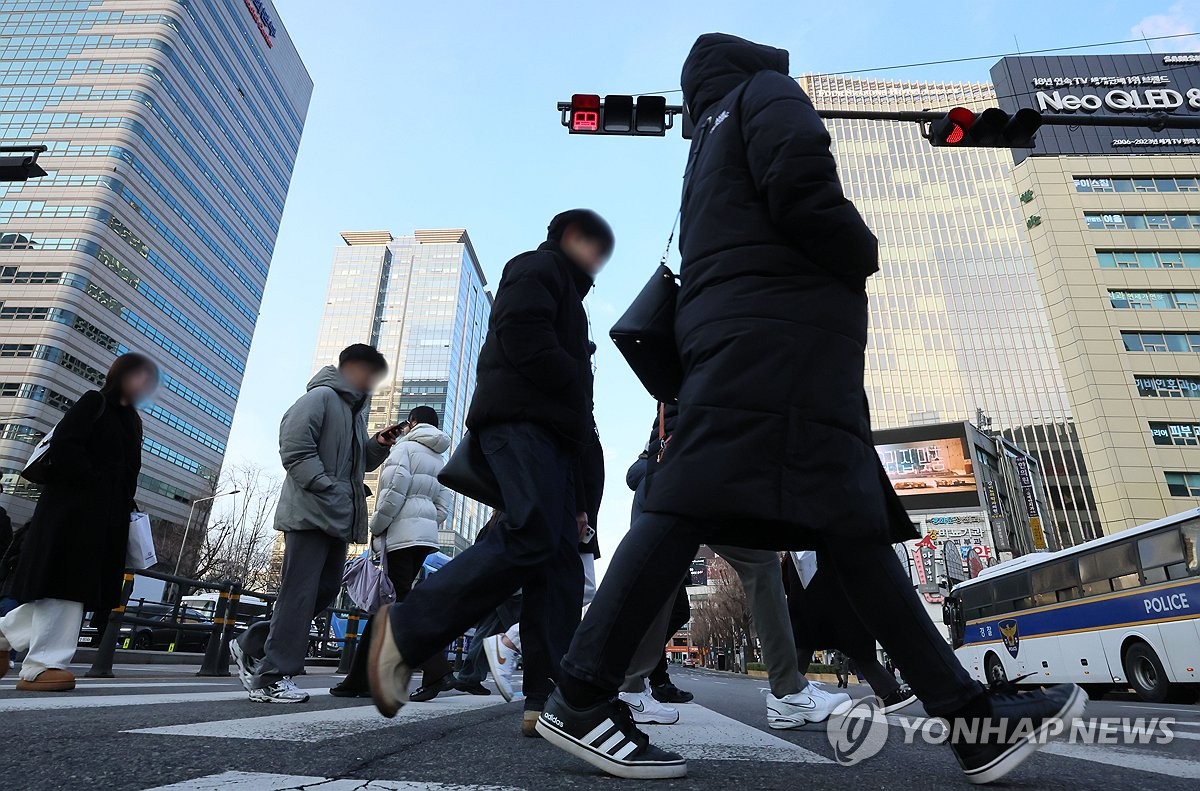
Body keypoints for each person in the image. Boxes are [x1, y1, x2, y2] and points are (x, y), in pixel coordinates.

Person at [537, 33, 1085, 783]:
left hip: (742, 339)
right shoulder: (767, 93)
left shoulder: (704, 144)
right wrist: (859, 247)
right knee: (693, 502)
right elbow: (802, 185)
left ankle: (971, 721)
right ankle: (581, 692)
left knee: (848, 521)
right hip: (783, 341)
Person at [366, 209, 612, 738]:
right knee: (530, 536)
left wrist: (584, 498)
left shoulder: (568, 296)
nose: (597, 258)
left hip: (556, 442)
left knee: (561, 569)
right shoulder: (537, 268)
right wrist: (574, 374)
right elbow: (523, 336)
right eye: (592, 245)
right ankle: (404, 631)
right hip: (524, 425)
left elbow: (580, 415)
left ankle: (548, 698)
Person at [619, 409, 848, 729]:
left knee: (663, 578)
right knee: (759, 562)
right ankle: (789, 692)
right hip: (701, 471)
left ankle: (624, 686)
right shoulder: (712, 369)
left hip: (676, 476)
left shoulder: (669, 395)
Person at [232, 344, 401, 703]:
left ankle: (252, 643)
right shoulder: (321, 397)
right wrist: (323, 484)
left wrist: (377, 446)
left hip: (336, 516)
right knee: (300, 593)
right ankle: (271, 677)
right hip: (311, 513)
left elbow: (356, 466)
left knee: (322, 592)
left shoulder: (352, 413)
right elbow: (293, 445)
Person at [0, 353, 157, 691]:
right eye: (140, 377)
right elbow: (65, 446)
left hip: (103, 520)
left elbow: (128, 471)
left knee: (71, 589)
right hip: (71, 514)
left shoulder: (131, 420)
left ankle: (2, 637)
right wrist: (95, 482)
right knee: (65, 587)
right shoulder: (95, 402)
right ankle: (42, 667)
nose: (146, 385)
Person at [329, 406, 454, 700]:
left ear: (411, 422)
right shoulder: (439, 457)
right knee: (388, 607)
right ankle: (361, 679)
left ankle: (438, 670)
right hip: (424, 538)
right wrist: (424, 521)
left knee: (397, 607)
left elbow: (392, 493)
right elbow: (444, 503)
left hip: (400, 536)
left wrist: (377, 526)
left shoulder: (405, 449)